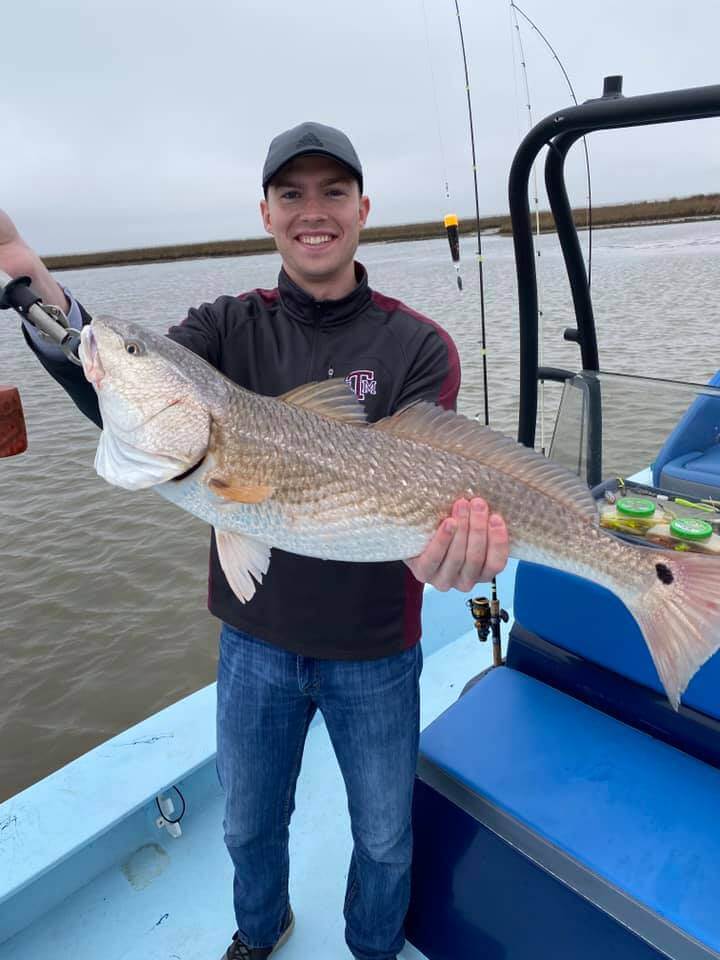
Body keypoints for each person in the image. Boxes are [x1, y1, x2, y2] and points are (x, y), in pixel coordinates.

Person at [0, 122, 509, 960]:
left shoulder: (419, 345)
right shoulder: (223, 327)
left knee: (384, 837)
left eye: (333, 192)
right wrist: (35, 279)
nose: (314, 211)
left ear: (363, 208)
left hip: (377, 649)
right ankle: (258, 929)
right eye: (292, 194)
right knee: (244, 821)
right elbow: (127, 393)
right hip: (254, 645)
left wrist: (455, 552)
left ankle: (374, 947)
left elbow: (435, 489)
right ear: (266, 213)